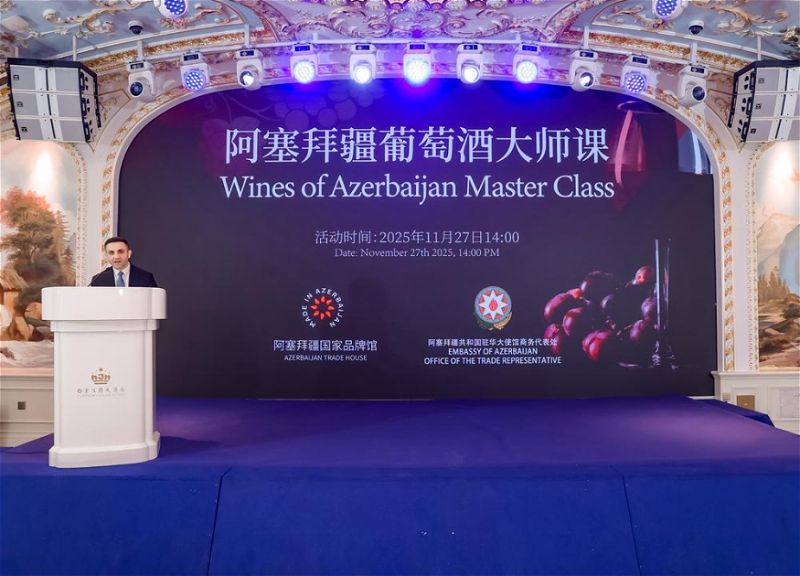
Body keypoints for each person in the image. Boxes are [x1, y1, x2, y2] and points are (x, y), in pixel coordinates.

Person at [90, 237, 157, 287]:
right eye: (111, 253)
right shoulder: (98, 280)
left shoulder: (145, 277)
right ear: (106, 256)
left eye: (120, 252)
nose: (116, 257)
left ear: (129, 254)